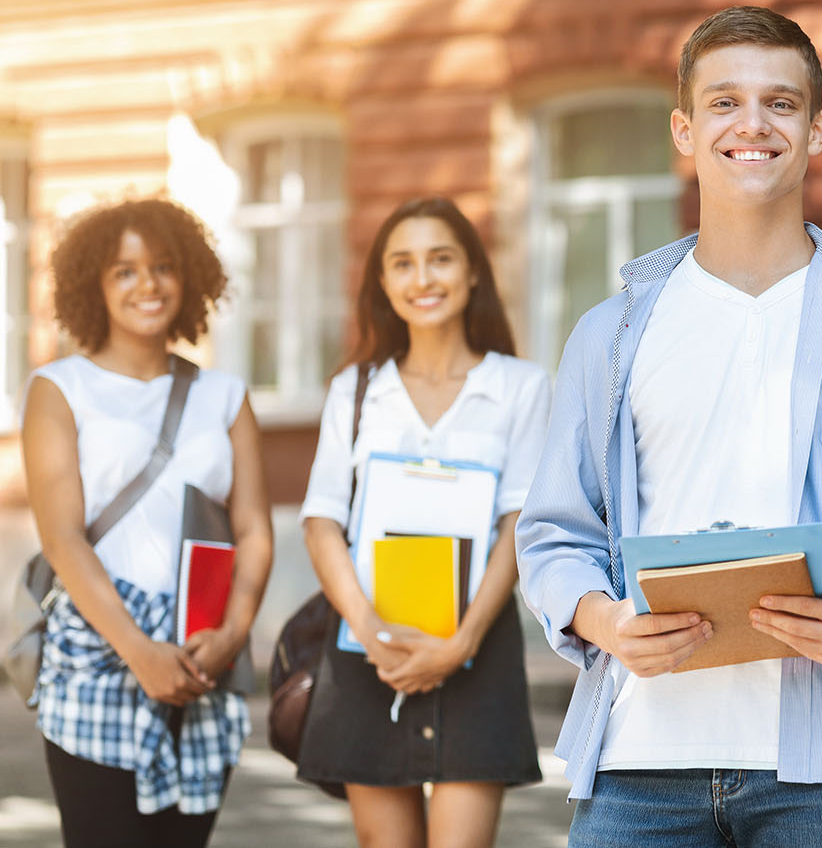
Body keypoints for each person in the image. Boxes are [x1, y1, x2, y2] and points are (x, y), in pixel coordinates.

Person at [515, 5, 822, 846]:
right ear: (684, 128)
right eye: (724, 103)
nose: (753, 123)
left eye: (781, 103)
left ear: (819, 128)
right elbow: (555, 532)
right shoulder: (611, 332)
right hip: (640, 761)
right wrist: (606, 622)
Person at [296, 196, 547, 848]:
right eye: (402, 263)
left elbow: (518, 522)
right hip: (365, 650)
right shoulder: (353, 389)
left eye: (440, 258)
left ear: (471, 272)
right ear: (382, 282)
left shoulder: (521, 386)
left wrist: (462, 641)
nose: (422, 278)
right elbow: (322, 519)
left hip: (477, 644)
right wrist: (369, 627)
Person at [21, 197, 272, 847]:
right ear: (94, 286)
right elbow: (62, 537)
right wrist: (140, 653)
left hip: (199, 654)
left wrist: (233, 633)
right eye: (124, 271)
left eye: (162, 266)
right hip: (98, 653)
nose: (147, 284)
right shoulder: (59, 387)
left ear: (189, 278)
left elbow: (254, 531)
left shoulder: (224, 395)